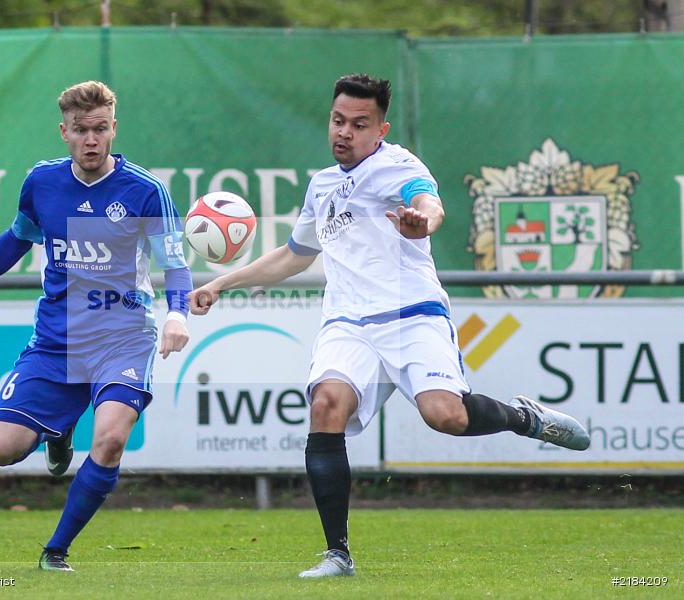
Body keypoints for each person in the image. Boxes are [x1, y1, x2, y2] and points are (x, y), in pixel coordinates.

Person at [188, 74, 590, 579]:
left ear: (380, 129)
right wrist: (221, 284)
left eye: (359, 124)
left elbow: (428, 200)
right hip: (347, 323)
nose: (344, 133)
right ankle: (338, 554)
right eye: (338, 121)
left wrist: (424, 221)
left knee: (445, 416)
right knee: (325, 405)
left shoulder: (397, 165)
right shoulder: (322, 186)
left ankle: (525, 419)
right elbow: (294, 256)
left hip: (411, 315)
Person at [0, 81, 192, 572]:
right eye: (81, 130)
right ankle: (57, 430)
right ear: (64, 132)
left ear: (114, 129)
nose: (92, 139)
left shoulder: (145, 190)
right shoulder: (42, 183)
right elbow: (17, 240)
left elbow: (175, 263)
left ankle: (55, 550)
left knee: (110, 437)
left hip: (123, 337)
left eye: (101, 129)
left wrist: (177, 314)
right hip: (58, 341)